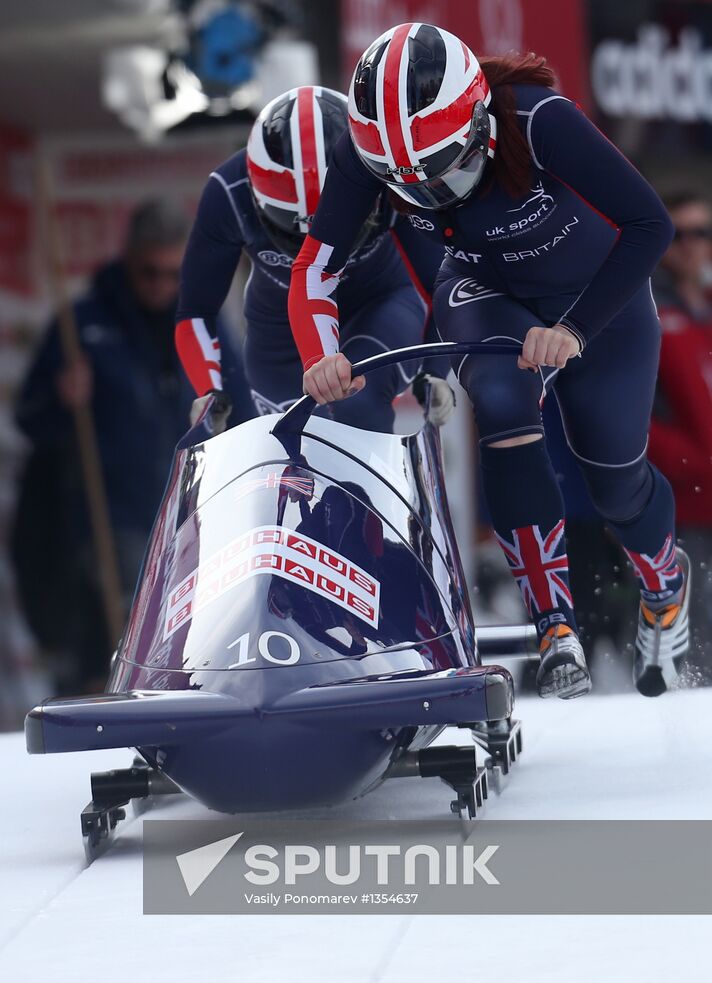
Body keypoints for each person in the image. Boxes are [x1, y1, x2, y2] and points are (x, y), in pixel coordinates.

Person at [287, 23, 691, 700]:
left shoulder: (540, 123)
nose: (431, 190)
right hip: (484, 290)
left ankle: (664, 586)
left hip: (599, 300)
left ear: (480, 125)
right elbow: (314, 269)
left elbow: (651, 225)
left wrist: (575, 328)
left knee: (615, 483)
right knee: (502, 404)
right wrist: (318, 353)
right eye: (404, 181)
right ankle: (552, 622)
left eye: (446, 165)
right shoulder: (368, 156)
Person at [13, 199, 254, 692]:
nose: (163, 286)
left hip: (188, 516)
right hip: (107, 519)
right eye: (151, 272)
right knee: (118, 647)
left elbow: (241, 407)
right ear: (129, 259)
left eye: (173, 274)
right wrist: (62, 399)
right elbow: (30, 421)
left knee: (188, 645)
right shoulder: (79, 324)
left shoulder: (203, 322)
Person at [175, 84, 453, 432]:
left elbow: (440, 279)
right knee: (293, 440)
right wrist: (208, 388)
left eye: (340, 225)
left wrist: (434, 369)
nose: (311, 243)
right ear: (257, 198)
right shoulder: (228, 193)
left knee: (357, 405)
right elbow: (196, 309)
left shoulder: (386, 172)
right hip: (280, 330)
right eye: (294, 232)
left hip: (378, 305)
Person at [649, 192, 712, 679]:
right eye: (681, 234)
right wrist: (691, 463)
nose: (692, 246)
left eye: (703, 233)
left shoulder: (704, 312)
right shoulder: (647, 312)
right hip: (686, 508)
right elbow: (630, 417)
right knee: (701, 654)